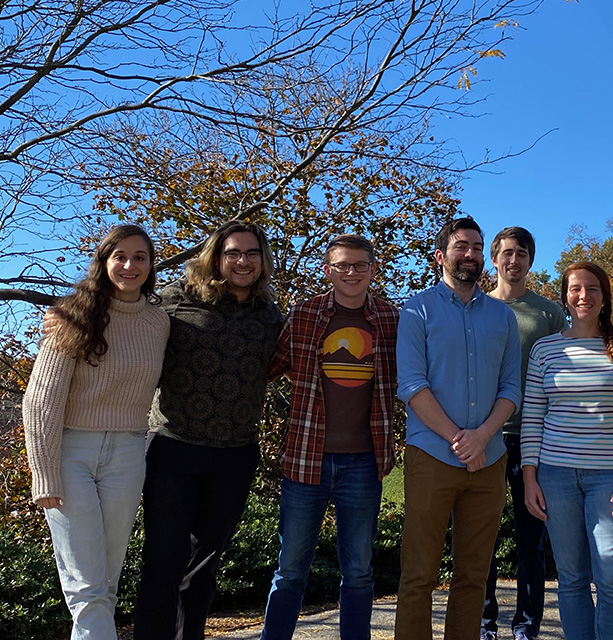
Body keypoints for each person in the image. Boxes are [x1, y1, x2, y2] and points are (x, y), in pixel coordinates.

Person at [134, 220, 284, 640]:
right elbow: (126, 322)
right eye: (233, 253)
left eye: (252, 254)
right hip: (172, 448)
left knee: (203, 566)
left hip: (234, 455)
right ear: (216, 257)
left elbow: (280, 366)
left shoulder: (270, 315)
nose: (242, 261)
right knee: (164, 559)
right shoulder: (175, 299)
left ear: (262, 261)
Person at [23, 225, 169, 640]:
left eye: (139, 257)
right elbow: (40, 400)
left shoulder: (160, 322)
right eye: (119, 256)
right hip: (72, 452)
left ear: (150, 265)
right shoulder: (73, 315)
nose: (129, 265)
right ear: (104, 262)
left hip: (127, 453)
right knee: (86, 585)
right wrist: (44, 471)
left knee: (106, 580)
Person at [259, 234, 400, 640]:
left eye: (360, 265)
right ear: (328, 270)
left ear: (373, 270)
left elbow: (413, 376)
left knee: (358, 571)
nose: (351, 273)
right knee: (290, 570)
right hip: (307, 458)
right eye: (342, 265)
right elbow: (273, 365)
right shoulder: (305, 314)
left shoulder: (392, 319)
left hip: (364, 461)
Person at [394, 217, 522, 640]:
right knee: (419, 574)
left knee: (474, 574)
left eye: (476, 247)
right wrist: (459, 439)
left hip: (489, 461)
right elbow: (412, 386)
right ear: (440, 256)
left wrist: (482, 437)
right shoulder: (416, 310)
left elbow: (511, 388)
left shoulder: (502, 317)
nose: (470, 253)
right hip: (431, 455)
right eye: (461, 246)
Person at [521, 261, 613, 640]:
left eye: (592, 288)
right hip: (555, 475)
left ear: (605, 296)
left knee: (611, 577)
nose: (583, 296)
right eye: (576, 288)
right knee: (571, 578)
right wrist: (530, 478)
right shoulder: (545, 349)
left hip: (611, 479)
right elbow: (532, 417)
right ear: (564, 296)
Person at [481, 227, 566, 640]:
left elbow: (559, 374)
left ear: (531, 261)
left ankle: (527, 625)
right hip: (486, 436)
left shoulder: (549, 313)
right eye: (507, 253)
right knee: (483, 535)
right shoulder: (477, 308)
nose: (514, 261)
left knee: (532, 539)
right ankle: (484, 622)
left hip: (535, 438)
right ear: (493, 259)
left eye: (522, 254)